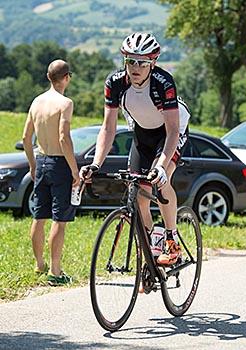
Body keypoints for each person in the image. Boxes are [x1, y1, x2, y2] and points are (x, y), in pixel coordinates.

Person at [81, 33, 190, 266]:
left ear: (153, 63)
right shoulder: (115, 84)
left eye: (142, 62)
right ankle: (152, 247)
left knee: (160, 180)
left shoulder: (163, 82)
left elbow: (172, 131)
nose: (135, 67)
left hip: (170, 132)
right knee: (139, 191)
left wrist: (161, 167)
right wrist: (95, 164)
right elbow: (108, 129)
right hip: (143, 133)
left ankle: (171, 240)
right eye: (130, 61)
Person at [23, 59, 80, 286]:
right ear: (66, 77)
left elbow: (26, 138)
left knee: (39, 217)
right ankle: (56, 272)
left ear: (49, 77)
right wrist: (74, 170)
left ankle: (39, 265)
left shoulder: (37, 102)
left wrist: (32, 164)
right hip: (59, 165)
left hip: (41, 159)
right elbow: (64, 138)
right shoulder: (65, 103)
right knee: (59, 219)